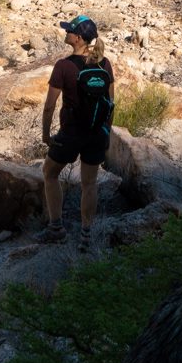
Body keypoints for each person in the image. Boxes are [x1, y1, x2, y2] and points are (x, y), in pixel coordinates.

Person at [38, 13, 114, 250]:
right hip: (96, 132)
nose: (66, 33)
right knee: (89, 184)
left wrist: (46, 134)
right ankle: (87, 235)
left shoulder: (64, 66)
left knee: (50, 173)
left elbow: (50, 105)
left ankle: (56, 228)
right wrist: (106, 133)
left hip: (71, 133)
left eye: (69, 30)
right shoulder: (104, 63)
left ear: (78, 38)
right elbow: (111, 102)